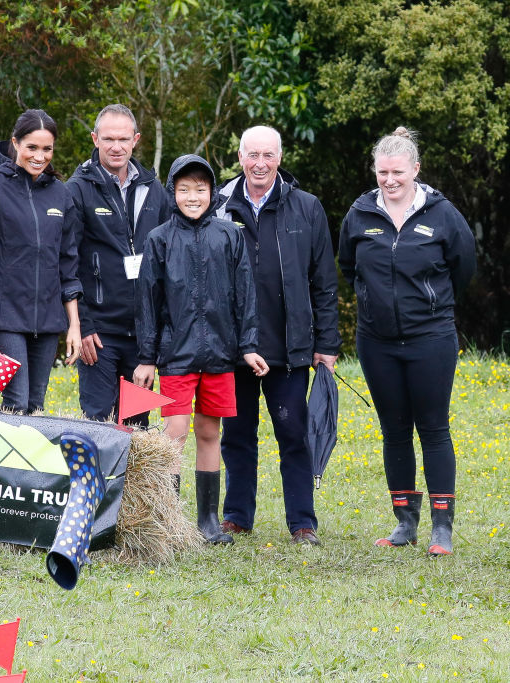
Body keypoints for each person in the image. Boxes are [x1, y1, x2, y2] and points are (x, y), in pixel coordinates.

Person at [338, 127, 476, 556]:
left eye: (398, 171)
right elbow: (348, 267)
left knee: (434, 429)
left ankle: (442, 530)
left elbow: (463, 267)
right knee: (394, 431)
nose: (390, 179)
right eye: (382, 172)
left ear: (416, 169)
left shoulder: (442, 215)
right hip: (376, 341)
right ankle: (405, 523)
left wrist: (428, 305)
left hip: (431, 338)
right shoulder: (360, 215)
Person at [133, 154, 269, 544]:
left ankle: (208, 521)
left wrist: (247, 346)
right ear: (173, 193)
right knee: (174, 432)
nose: (193, 197)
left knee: (210, 432)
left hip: (220, 357)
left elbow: (245, 296)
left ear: (213, 193)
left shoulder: (230, 236)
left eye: (201, 190)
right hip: (175, 357)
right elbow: (147, 302)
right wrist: (147, 357)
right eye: (184, 190)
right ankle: (170, 521)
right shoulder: (158, 239)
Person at [216, 125, 341, 546]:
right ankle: (236, 516)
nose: (260, 163)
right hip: (233, 349)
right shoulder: (219, 206)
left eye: (268, 155)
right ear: (239, 157)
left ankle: (302, 522)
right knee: (236, 436)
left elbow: (324, 281)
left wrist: (327, 345)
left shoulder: (306, 208)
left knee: (293, 434)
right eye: (252, 155)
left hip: (289, 348)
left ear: (280, 158)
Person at [0, 109, 83, 414]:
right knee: (15, 404)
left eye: (47, 149)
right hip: (4, 316)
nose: (40, 156)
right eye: (32, 147)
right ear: (15, 143)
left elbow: (68, 264)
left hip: (47, 321)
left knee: (34, 406)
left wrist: (74, 326)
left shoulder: (61, 195)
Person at [67, 105, 169, 424]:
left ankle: (130, 478)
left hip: (142, 334)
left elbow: (167, 262)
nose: (116, 146)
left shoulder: (155, 190)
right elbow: (67, 261)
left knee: (136, 428)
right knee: (99, 424)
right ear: (95, 139)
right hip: (99, 333)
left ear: (135, 140)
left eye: (123, 139)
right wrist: (83, 323)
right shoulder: (78, 189)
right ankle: (96, 478)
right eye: (108, 138)